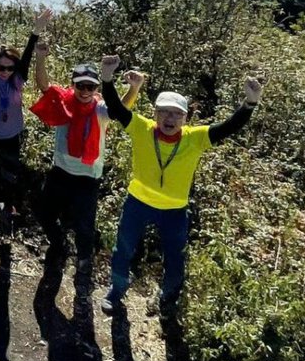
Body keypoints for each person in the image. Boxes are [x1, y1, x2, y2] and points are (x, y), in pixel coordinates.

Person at [97, 54, 264, 318]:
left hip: (174, 211)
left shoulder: (195, 138)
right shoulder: (142, 128)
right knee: (123, 250)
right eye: (164, 111)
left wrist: (250, 103)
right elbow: (117, 109)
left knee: (176, 259)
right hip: (137, 203)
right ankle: (116, 291)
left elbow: (228, 128)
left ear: (185, 117)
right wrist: (106, 77)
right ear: (155, 114)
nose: (170, 118)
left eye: (176, 113)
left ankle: (168, 301)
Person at [29, 18, 144, 269]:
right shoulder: (62, 102)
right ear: (73, 84)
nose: (84, 90)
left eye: (90, 86)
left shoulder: (101, 109)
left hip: (88, 178)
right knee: (45, 213)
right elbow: (43, 85)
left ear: (96, 87)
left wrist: (134, 88)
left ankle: (84, 263)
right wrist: (40, 57)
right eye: (80, 85)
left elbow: (119, 109)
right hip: (60, 172)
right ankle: (59, 244)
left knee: (85, 225)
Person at [0, 2, 49, 236]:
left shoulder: (18, 78)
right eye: (1, 67)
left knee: (9, 174)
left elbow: (26, 56)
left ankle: (6, 210)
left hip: (11, 134)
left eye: (10, 68)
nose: (5, 71)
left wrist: (36, 31)